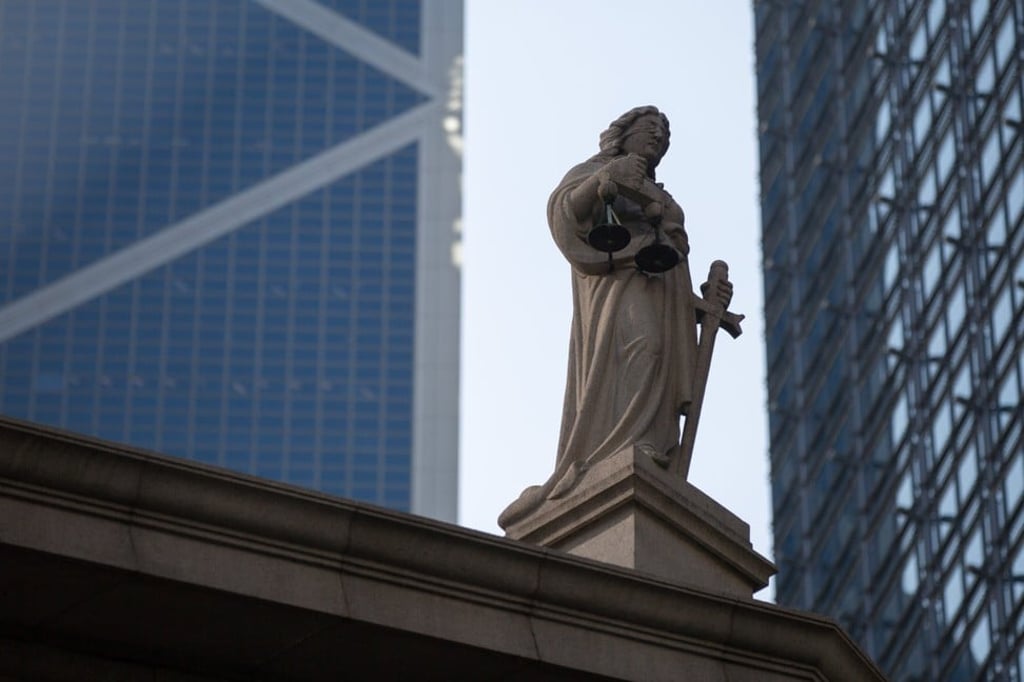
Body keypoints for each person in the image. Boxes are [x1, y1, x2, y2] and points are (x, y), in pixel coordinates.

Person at [499, 106, 728, 529]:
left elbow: (673, 253)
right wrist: (608, 181)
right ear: (622, 135)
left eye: (662, 134)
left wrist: (706, 305)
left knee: (655, 356)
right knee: (643, 347)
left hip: (656, 287)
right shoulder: (595, 170)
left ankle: (647, 445)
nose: (656, 138)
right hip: (615, 283)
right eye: (649, 129)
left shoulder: (664, 198)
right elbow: (566, 213)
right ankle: (620, 446)